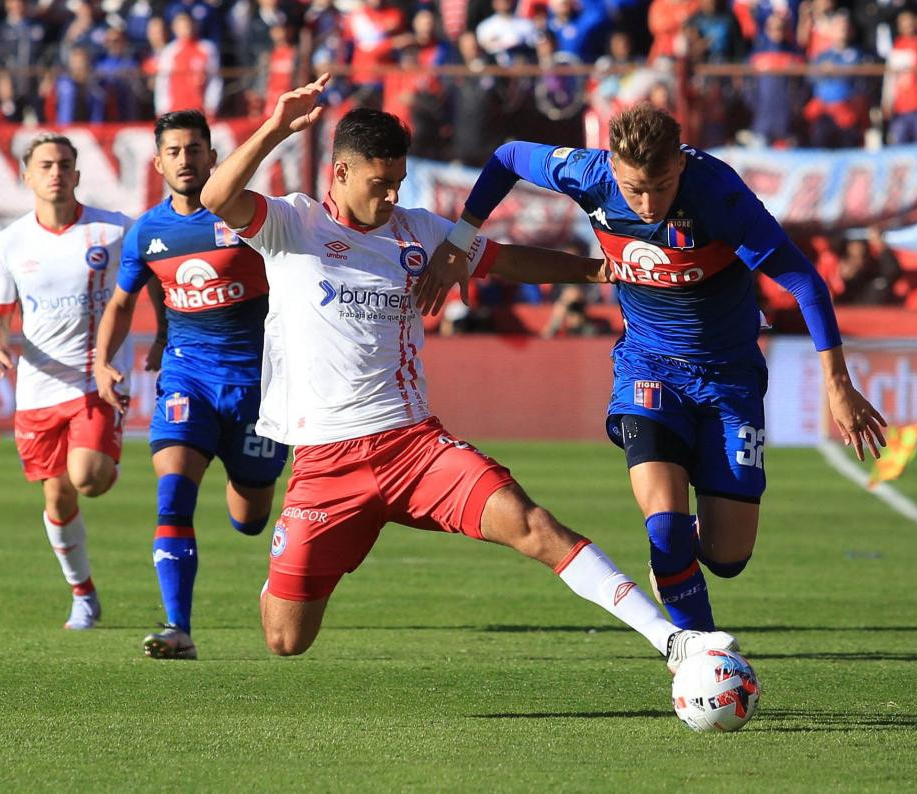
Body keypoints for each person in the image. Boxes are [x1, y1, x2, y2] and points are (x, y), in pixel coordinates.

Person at [200, 77, 737, 673]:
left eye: (399, 182)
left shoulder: (419, 231)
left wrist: (601, 271)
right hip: (326, 463)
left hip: (414, 446)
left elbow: (507, 260)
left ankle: (673, 641)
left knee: (533, 524)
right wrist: (276, 126)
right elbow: (217, 197)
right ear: (342, 173)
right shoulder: (292, 225)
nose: (391, 196)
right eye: (380, 184)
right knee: (286, 639)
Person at [417, 102, 887, 636]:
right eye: (635, 188)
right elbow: (506, 157)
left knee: (728, 555)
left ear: (680, 166)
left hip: (729, 376)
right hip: (649, 367)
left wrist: (838, 385)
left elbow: (803, 281)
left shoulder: (717, 194)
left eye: (661, 186)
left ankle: (686, 557)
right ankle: (701, 652)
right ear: (613, 167)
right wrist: (460, 238)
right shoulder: (588, 174)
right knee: (663, 530)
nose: (647, 203)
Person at [95, 110, 288, 660]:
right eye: (174, 152)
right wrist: (102, 362)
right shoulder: (148, 232)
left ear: (212, 156)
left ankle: (252, 497)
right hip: (187, 377)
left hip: (257, 386)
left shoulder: (249, 217)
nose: (185, 160)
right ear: (159, 163)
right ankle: (177, 628)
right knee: (174, 493)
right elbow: (124, 300)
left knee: (250, 519)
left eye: (195, 150)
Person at [0, 132, 134, 630]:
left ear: (77, 174)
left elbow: (158, 269)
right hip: (37, 389)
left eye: (65, 164)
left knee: (87, 478)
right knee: (57, 497)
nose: (56, 172)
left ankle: (105, 458)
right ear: (27, 176)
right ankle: (83, 594)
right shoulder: (9, 244)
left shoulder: (112, 231)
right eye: (45, 164)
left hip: (94, 382)